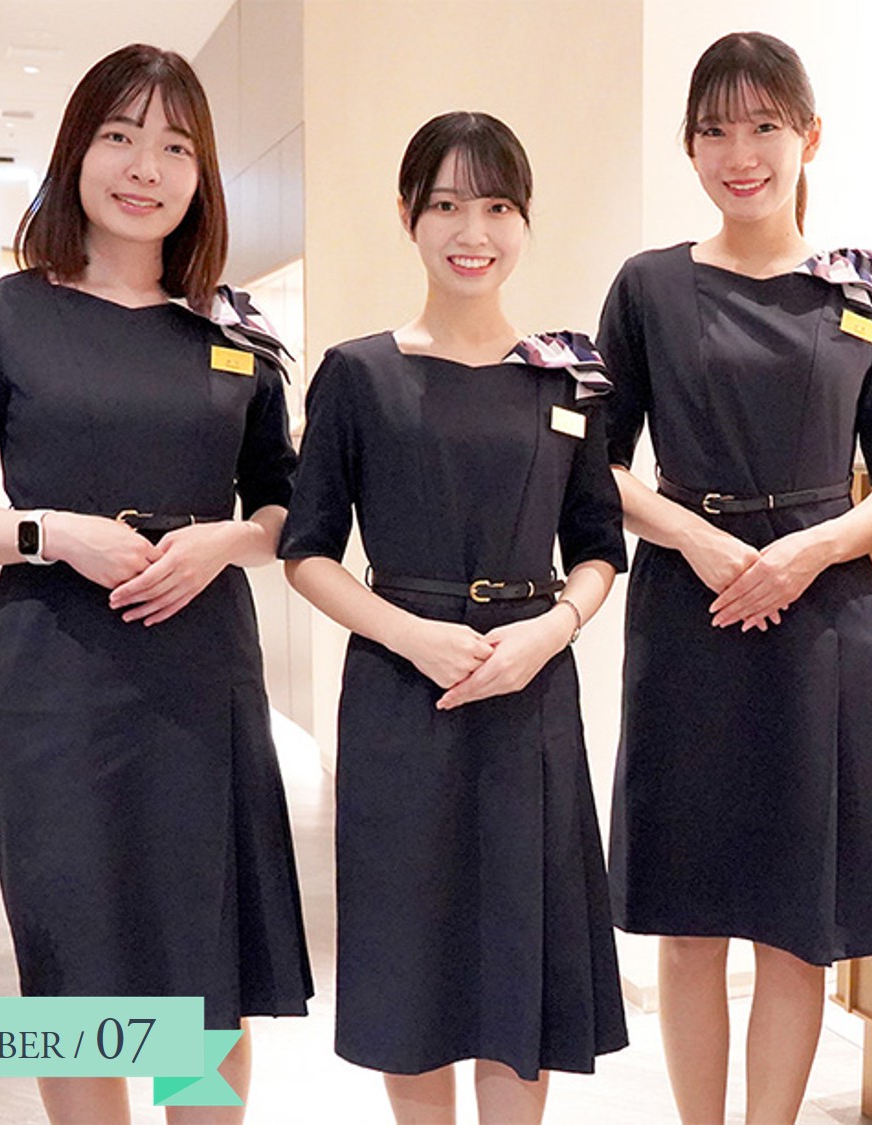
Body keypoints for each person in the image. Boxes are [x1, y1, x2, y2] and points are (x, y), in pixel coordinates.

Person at [0, 43, 311, 1124]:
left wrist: (223, 543)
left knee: (204, 971)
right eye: (121, 137)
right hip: (56, 681)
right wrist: (52, 534)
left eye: (175, 146)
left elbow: (286, 510)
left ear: (201, 171)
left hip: (202, 678)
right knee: (75, 967)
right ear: (76, 151)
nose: (145, 168)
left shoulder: (232, 330)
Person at [600, 32, 872, 1124]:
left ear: (809, 138)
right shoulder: (649, 286)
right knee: (690, 917)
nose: (738, 154)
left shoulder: (860, 293)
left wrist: (810, 549)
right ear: (688, 147)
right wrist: (693, 539)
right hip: (688, 615)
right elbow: (594, 461)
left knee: (800, 923)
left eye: (762, 127)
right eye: (713, 131)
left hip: (820, 621)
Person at [281, 111, 628, 1125]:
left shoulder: (566, 376)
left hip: (530, 695)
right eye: (445, 205)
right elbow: (307, 551)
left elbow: (599, 546)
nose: (472, 232)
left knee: (523, 962)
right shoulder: (358, 374)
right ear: (408, 216)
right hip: (402, 700)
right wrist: (408, 633)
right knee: (412, 966)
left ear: (524, 220)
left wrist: (551, 630)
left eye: (496, 207)